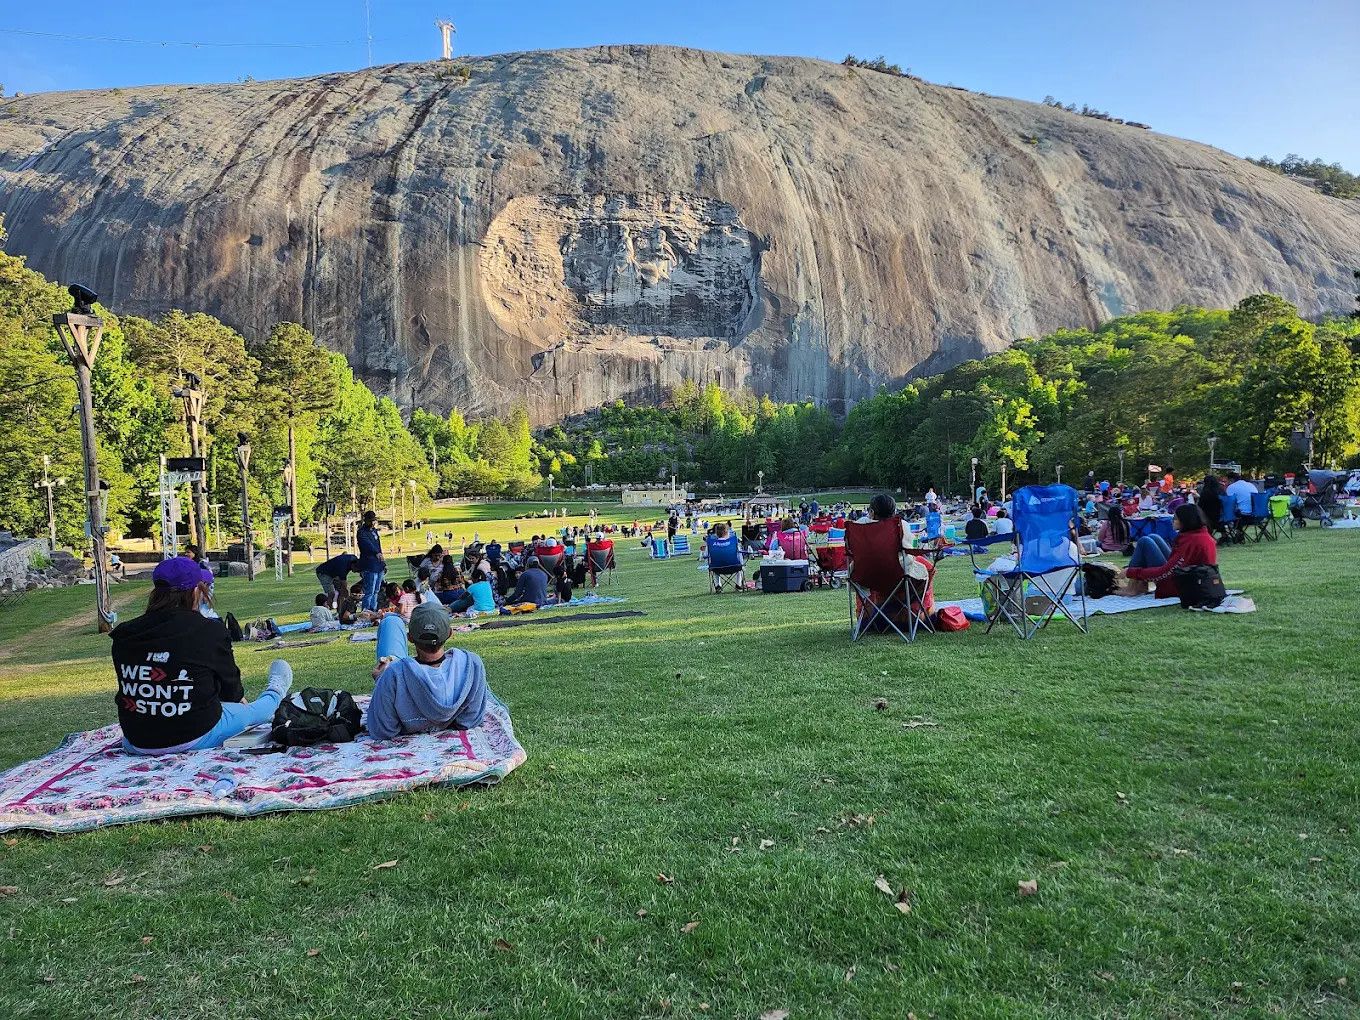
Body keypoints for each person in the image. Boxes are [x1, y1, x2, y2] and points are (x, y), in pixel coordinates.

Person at [111, 557, 293, 755]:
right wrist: (239, 708)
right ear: (196, 592)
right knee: (250, 712)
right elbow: (231, 690)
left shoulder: (124, 633)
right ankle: (276, 692)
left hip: (136, 740)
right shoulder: (209, 631)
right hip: (195, 734)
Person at [366, 603, 491, 742]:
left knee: (391, 621)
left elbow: (382, 730)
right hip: (403, 671)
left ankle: (391, 620)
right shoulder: (472, 664)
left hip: (400, 671)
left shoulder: (394, 674)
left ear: (409, 638)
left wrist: (381, 680)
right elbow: (470, 720)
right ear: (450, 633)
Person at [1122, 504, 1218, 600]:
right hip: (1192, 578)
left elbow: (1166, 571)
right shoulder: (1199, 535)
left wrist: (1131, 572)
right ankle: (1138, 585)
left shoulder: (1191, 541)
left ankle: (1133, 587)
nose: (1172, 520)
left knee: (1145, 541)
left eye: (1175, 518)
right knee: (1153, 537)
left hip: (1184, 586)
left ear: (1184, 520)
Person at [357, 511, 386, 612]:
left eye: (374, 521)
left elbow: (378, 546)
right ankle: (366, 610)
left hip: (379, 564)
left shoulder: (374, 531)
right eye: (370, 521)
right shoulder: (361, 532)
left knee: (377, 590)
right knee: (370, 590)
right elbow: (367, 544)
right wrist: (376, 552)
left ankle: (373, 609)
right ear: (365, 521)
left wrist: (383, 563)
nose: (373, 523)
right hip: (369, 564)